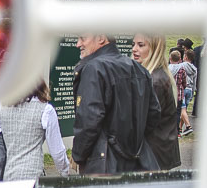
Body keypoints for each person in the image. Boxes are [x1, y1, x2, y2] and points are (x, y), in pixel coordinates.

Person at [72, 33, 161, 174]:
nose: (78, 44)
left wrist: (78, 155)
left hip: (103, 164)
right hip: (137, 161)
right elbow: (153, 113)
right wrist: (132, 140)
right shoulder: (139, 69)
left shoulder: (94, 68)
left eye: (83, 38)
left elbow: (88, 121)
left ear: (101, 37)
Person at [0, 81, 71, 181]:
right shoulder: (46, 110)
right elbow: (57, 150)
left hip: (9, 174)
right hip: (33, 175)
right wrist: (64, 171)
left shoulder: (1, 107)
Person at [132, 33, 180, 169]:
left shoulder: (154, 80)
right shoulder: (153, 76)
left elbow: (142, 122)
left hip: (153, 155)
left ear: (154, 49)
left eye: (141, 45)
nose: (134, 49)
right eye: (133, 44)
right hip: (156, 152)